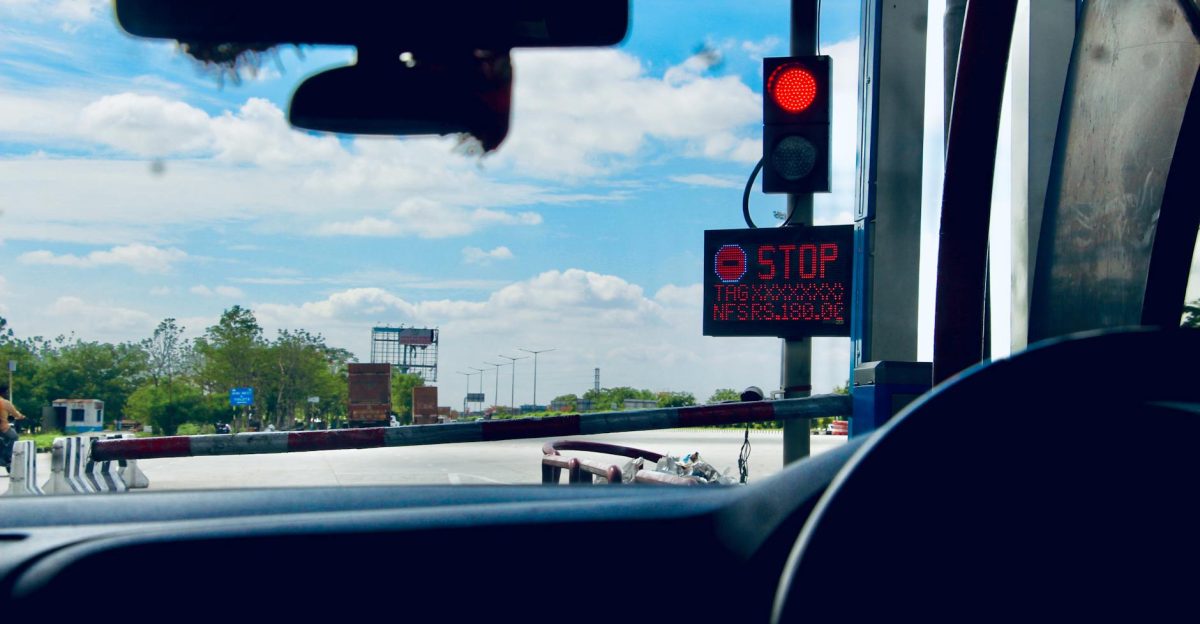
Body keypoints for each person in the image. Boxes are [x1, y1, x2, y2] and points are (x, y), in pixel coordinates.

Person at [0, 383, 28, 472]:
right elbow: (15, 413)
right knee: (14, 436)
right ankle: (7, 456)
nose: (7, 394)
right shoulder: (4, 402)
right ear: (2, 393)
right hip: (2, 427)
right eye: (6, 392)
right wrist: (21, 416)